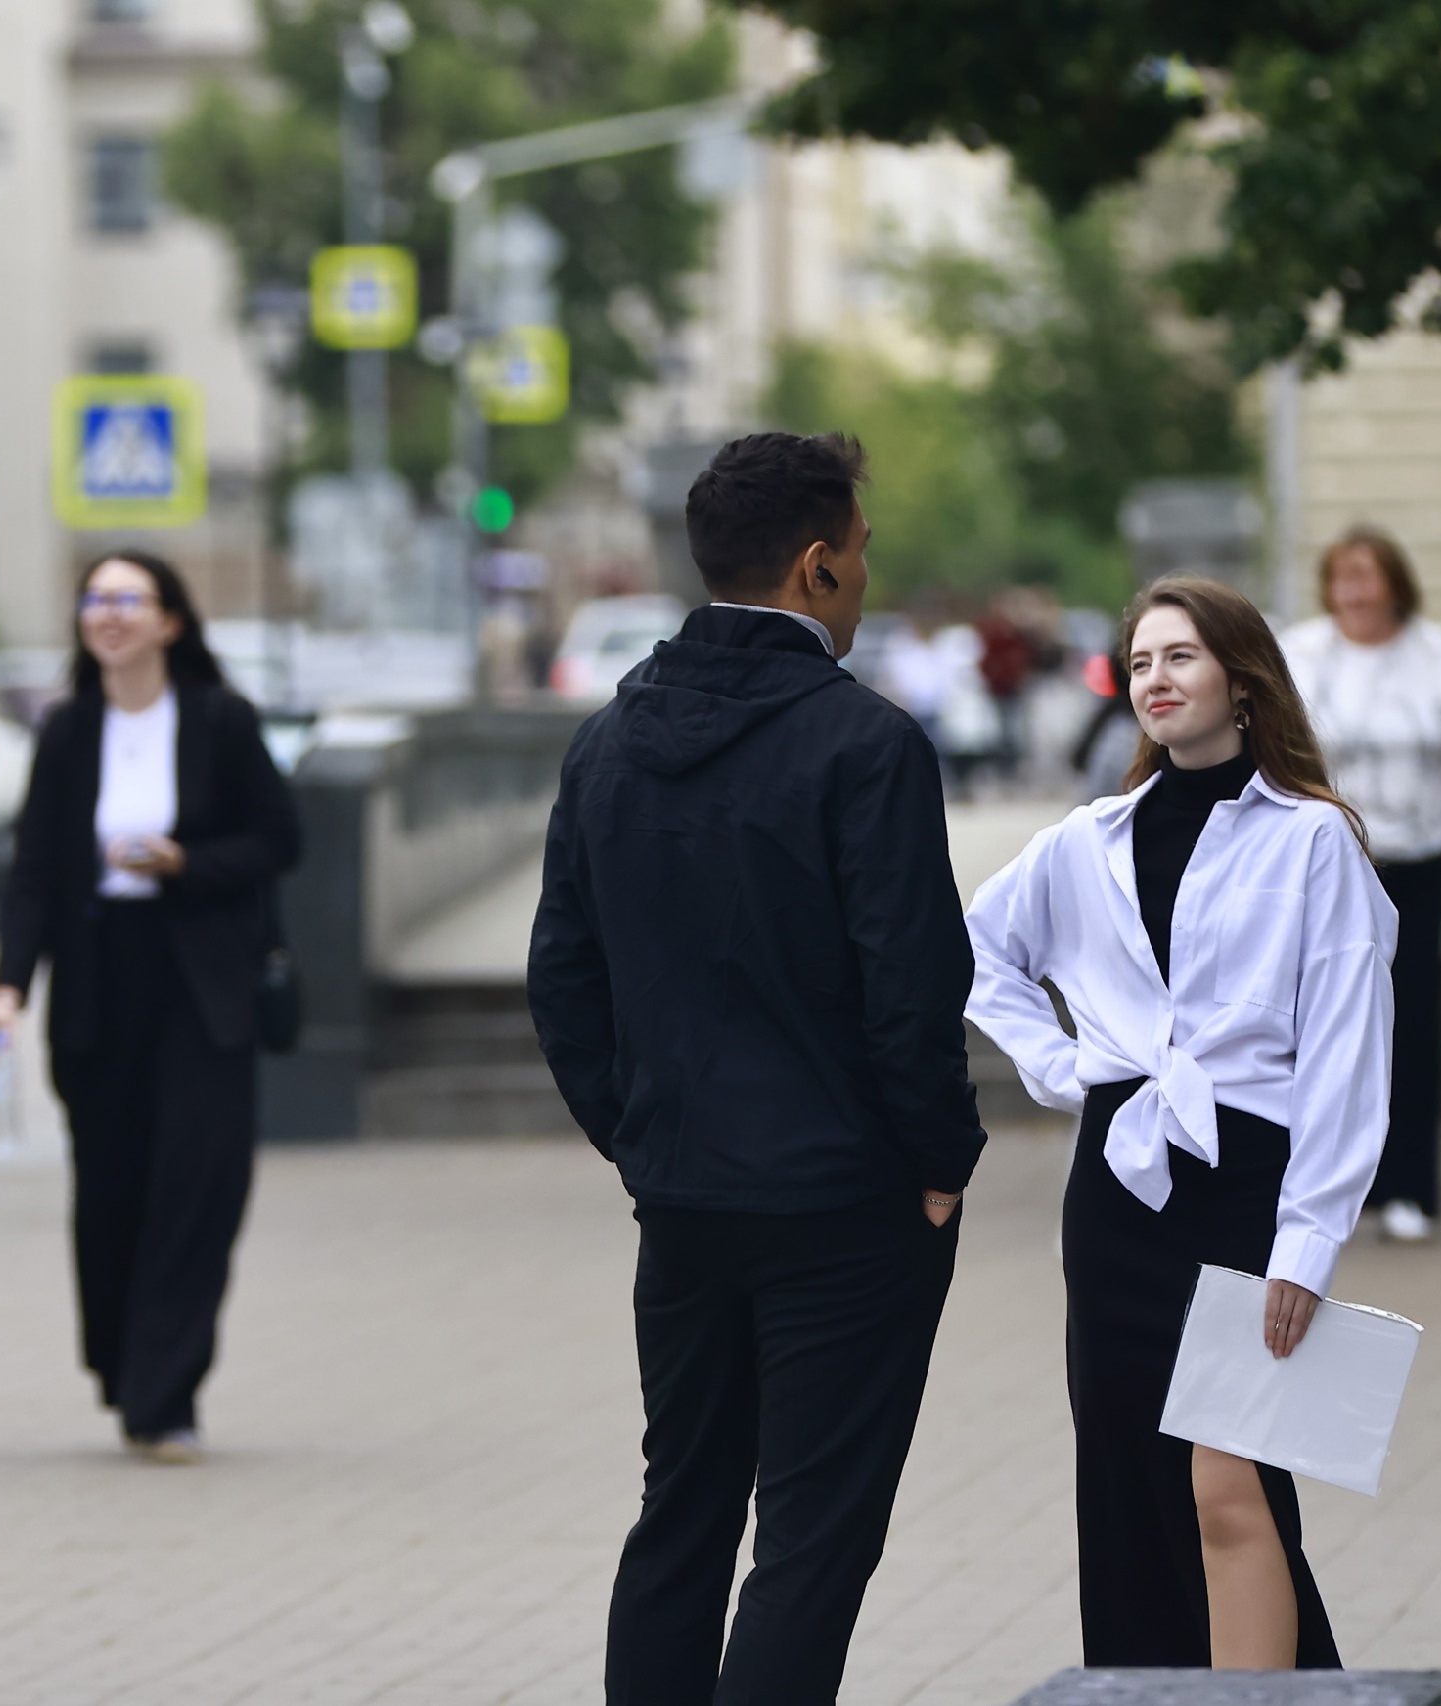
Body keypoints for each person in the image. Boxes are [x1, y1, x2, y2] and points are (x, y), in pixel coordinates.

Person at [527, 432, 986, 1703]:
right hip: (846, 1202)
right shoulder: (867, 744)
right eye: (861, 553)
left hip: (683, 1196)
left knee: (680, 1511)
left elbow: (561, 978)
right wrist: (938, 1160)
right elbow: (910, 986)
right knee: (810, 1537)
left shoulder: (607, 740)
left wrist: (642, 1135)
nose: (864, 579)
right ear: (816, 564)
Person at [966, 576, 1397, 1669]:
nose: (1155, 678)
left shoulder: (1313, 840)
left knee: (1230, 1481)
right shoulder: (1086, 839)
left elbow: (1347, 1054)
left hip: (1245, 1186)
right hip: (1117, 1191)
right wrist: (1063, 1065)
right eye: (1140, 661)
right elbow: (971, 947)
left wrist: (1309, 1238)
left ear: (1242, 680)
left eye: (1181, 656)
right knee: (1126, 1480)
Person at [0, 550, 298, 1465]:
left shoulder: (220, 720)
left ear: (170, 621)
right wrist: (7, 989)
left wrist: (187, 862)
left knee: (199, 1185)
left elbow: (279, 837)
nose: (109, 614)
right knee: (111, 1190)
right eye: (95, 599)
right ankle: (126, 1365)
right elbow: (34, 873)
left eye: (129, 598)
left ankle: (167, 1390)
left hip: (199, 980)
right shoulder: (68, 731)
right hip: (99, 981)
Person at [1284, 527, 1441, 1242]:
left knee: (1412, 1027)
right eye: (1343, 578)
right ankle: (1324, 1186)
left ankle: (1409, 1189)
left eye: (1368, 576)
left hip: (1417, 865)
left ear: (1396, 584)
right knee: (1320, 1027)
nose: (1355, 592)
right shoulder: (1301, 655)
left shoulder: (1438, 654)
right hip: (1329, 869)